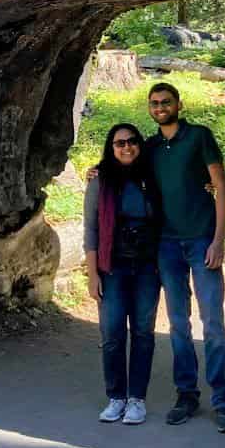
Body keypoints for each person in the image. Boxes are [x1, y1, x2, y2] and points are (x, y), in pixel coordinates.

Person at [87, 81, 225, 433]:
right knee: (178, 324)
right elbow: (121, 165)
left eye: (166, 102)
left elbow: (220, 187)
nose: (160, 107)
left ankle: (222, 401)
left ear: (178, 104)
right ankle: (186, 394)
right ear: (149, 108)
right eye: (154, 103)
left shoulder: (199, 136)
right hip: (166, 246)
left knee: (212, 323)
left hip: (202, 241)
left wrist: (218, 239)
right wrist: (97, 171)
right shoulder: (150, 147)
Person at [82, 122, 163, 425]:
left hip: (146, 267)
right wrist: (92, 275)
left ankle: (137, 399)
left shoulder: (153, 178)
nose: (126, 147)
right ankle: (116, 397)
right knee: (112, 334)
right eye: (119, 143)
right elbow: (90, 230)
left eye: (131, 141)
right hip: (112, 267)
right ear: (110, 147)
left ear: (139, 144)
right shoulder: (99, 181)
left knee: (143, 333)